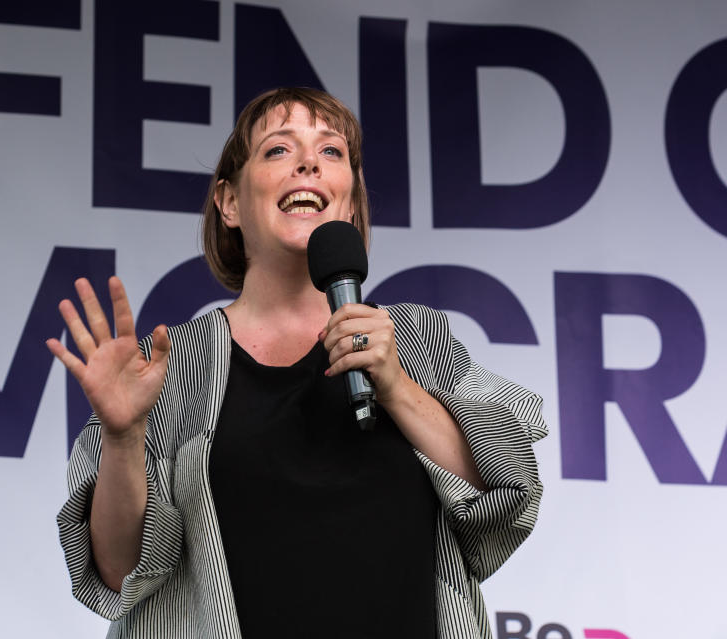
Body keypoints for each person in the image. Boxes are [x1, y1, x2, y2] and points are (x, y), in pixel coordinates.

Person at [48, 87, 547, 638]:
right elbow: (118, 575)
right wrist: (122, 437)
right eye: (278, 150)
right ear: (230, 202)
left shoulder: (418, 338)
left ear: (350, 201)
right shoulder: (169, 369)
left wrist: (397, 385)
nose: (309, 162)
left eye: (331, 152)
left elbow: (503, 499)